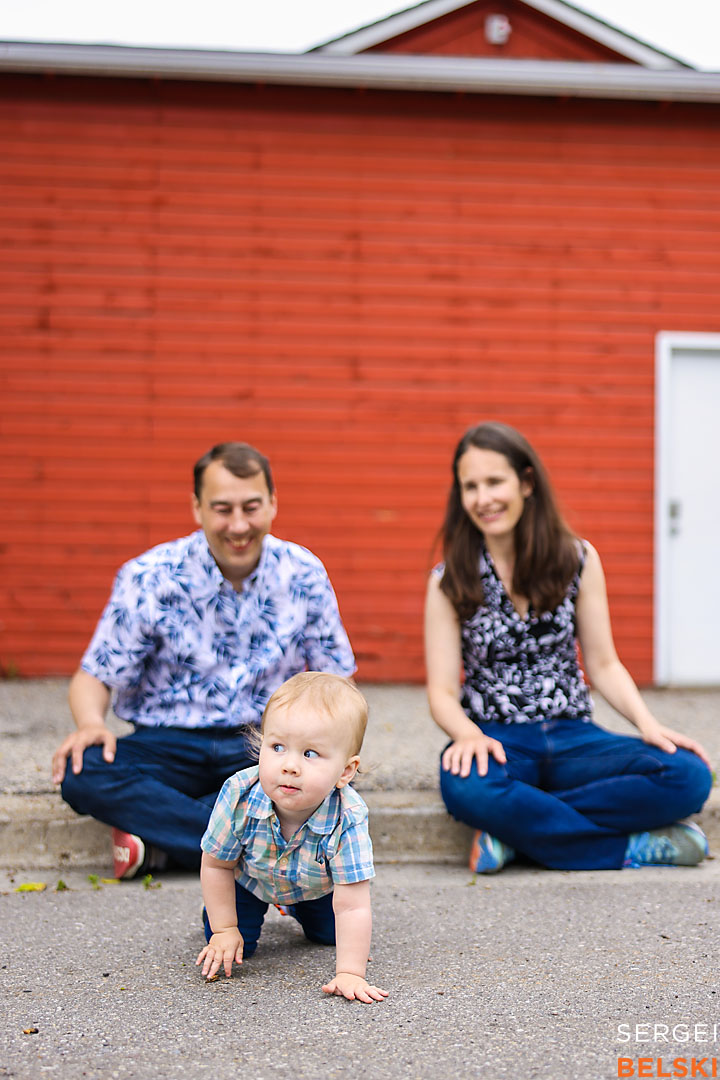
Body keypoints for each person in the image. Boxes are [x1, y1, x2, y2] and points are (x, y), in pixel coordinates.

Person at [52, 442, 355, 880]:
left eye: (251, 507)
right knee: (84, 771)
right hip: (166, 746)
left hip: (262, 746)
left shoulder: (304, 572)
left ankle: (162, 845)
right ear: (197, 508)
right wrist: (91, 725)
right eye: (221, 508)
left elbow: (337, 681)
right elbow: (93, 677)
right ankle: (259, 852)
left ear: (273, 503)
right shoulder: (151, 575)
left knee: (327, 776)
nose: (238, 525)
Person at [425, 421, 713, 873]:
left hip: (573, 736)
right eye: (470, 486)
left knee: (688, 776)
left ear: (526, 482)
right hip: (498, 742)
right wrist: (467, 736)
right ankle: (627, 849)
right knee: (464, 785)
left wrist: (648, 724)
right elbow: (441, 692)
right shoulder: (450, 578)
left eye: (495, 481)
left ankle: (519, 832)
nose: (484, 499)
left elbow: (604, 663)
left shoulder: (577, 559)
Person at [197, 671, 388, 1003]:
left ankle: (298, 909)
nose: (289, 765)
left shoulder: (349, 816)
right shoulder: (239, 793)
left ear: (345, 771)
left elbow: (353, 905)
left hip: (315, 888)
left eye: (310, 754)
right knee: (236, 945)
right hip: (249, 880)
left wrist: (350, 972)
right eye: (277, 746)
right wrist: (224, 929)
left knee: (332, 935)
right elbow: (216, 866)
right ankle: (235, 923)